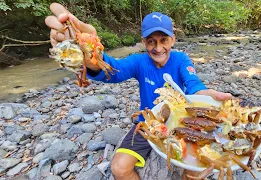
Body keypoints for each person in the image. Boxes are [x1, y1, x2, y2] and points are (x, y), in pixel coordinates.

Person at [45, 3, 232, 180]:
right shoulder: (139, 62)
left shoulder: (181, 59)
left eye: (164, 40)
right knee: (119, 168)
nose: (158, 48)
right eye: (151, 42)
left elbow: (194, 85)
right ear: (143, 42)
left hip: (181, 122)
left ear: (173, 39)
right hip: (148, 123)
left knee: (195, 172)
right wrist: (92, 56)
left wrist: (205, 95)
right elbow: (113, 70)